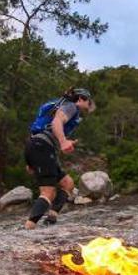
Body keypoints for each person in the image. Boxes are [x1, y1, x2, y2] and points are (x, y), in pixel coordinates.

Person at [24, 87, 95, 230]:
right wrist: (63, 142)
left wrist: (29, 160)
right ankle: (28, 229)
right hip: (42, 147)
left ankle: (51, 218)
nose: (89, 106)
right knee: (48, 193)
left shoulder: (58, 104)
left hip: (36, 145)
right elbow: (57, 122)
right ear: (81, 99)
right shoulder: (71, 107)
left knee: (67, 183)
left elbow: (41, 128)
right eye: (89, 102)